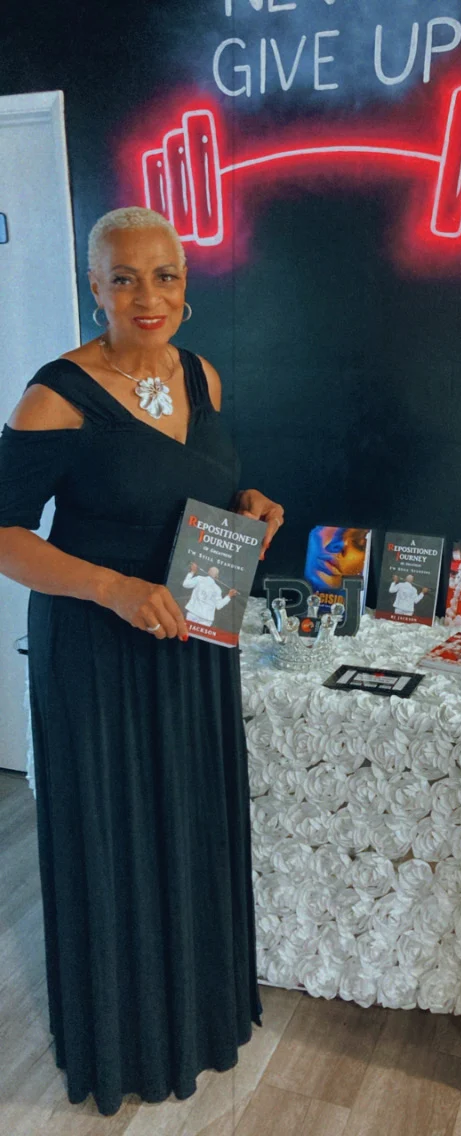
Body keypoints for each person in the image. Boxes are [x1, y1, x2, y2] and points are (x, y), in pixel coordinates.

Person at [0, 206, 284, 1116]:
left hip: (192, 642)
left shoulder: (202, 376)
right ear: (96, 287)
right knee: (116, 837)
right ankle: (127, 1041)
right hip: (99, 651)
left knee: (189, 820)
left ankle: (199, 1015)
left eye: (164, 275)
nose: (146, 296)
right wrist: (109, 587)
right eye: (123, 278)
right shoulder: (55, 396)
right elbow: (6, 538)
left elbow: (196, 484)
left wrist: (248, 505)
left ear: (186, 284)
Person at [182, 562, 238, 627]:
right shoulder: (217, 589)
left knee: (187, 630)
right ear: (217, 576)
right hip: (206, 619)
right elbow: (219, 606)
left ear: (208, 572)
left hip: (193, 613)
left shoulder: (199, 578)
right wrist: (229, 595)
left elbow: (185, 584)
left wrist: (192, 571)